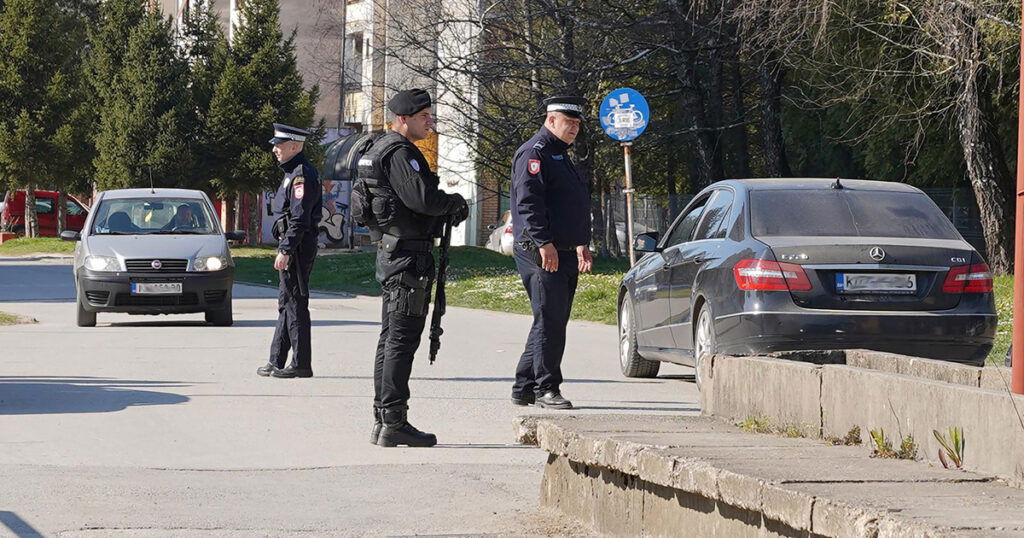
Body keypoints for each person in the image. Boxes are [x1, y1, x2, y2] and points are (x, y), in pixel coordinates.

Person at [359, 89, 468, 447]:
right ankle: (394, 421)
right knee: (401, 342)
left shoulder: (378, 148)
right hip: (407, 258)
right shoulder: (402, 154)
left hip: (393, 252)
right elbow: (421, 198)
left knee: (390, 339)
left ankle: (382, 418)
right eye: (424, 117)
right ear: (404, 119)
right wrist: (453, 203)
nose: (430, 122)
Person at [508, 95, 594, 410]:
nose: (574, 128)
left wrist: (581, 241)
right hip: (541, 250)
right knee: (550, 320)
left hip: (565, 250)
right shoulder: (535, 153)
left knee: (550, 319)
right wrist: (544, 242)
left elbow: (573, 205)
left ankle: (524, 386)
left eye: (577, 124)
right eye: (568, 122)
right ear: (551, 120)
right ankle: (547, 388)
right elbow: (528, 205)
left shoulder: (560, 154)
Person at [257, 123, 323, 379]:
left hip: (297, 245)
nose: (275, 150)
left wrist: (286, 249)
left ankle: (301, 363)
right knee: (286, 302)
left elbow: (299, 218)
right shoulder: (291, 172)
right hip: (292, 243)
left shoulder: (301, 175)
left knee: (295, 302)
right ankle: (277, 360)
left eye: (280, 145)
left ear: (295, 146)